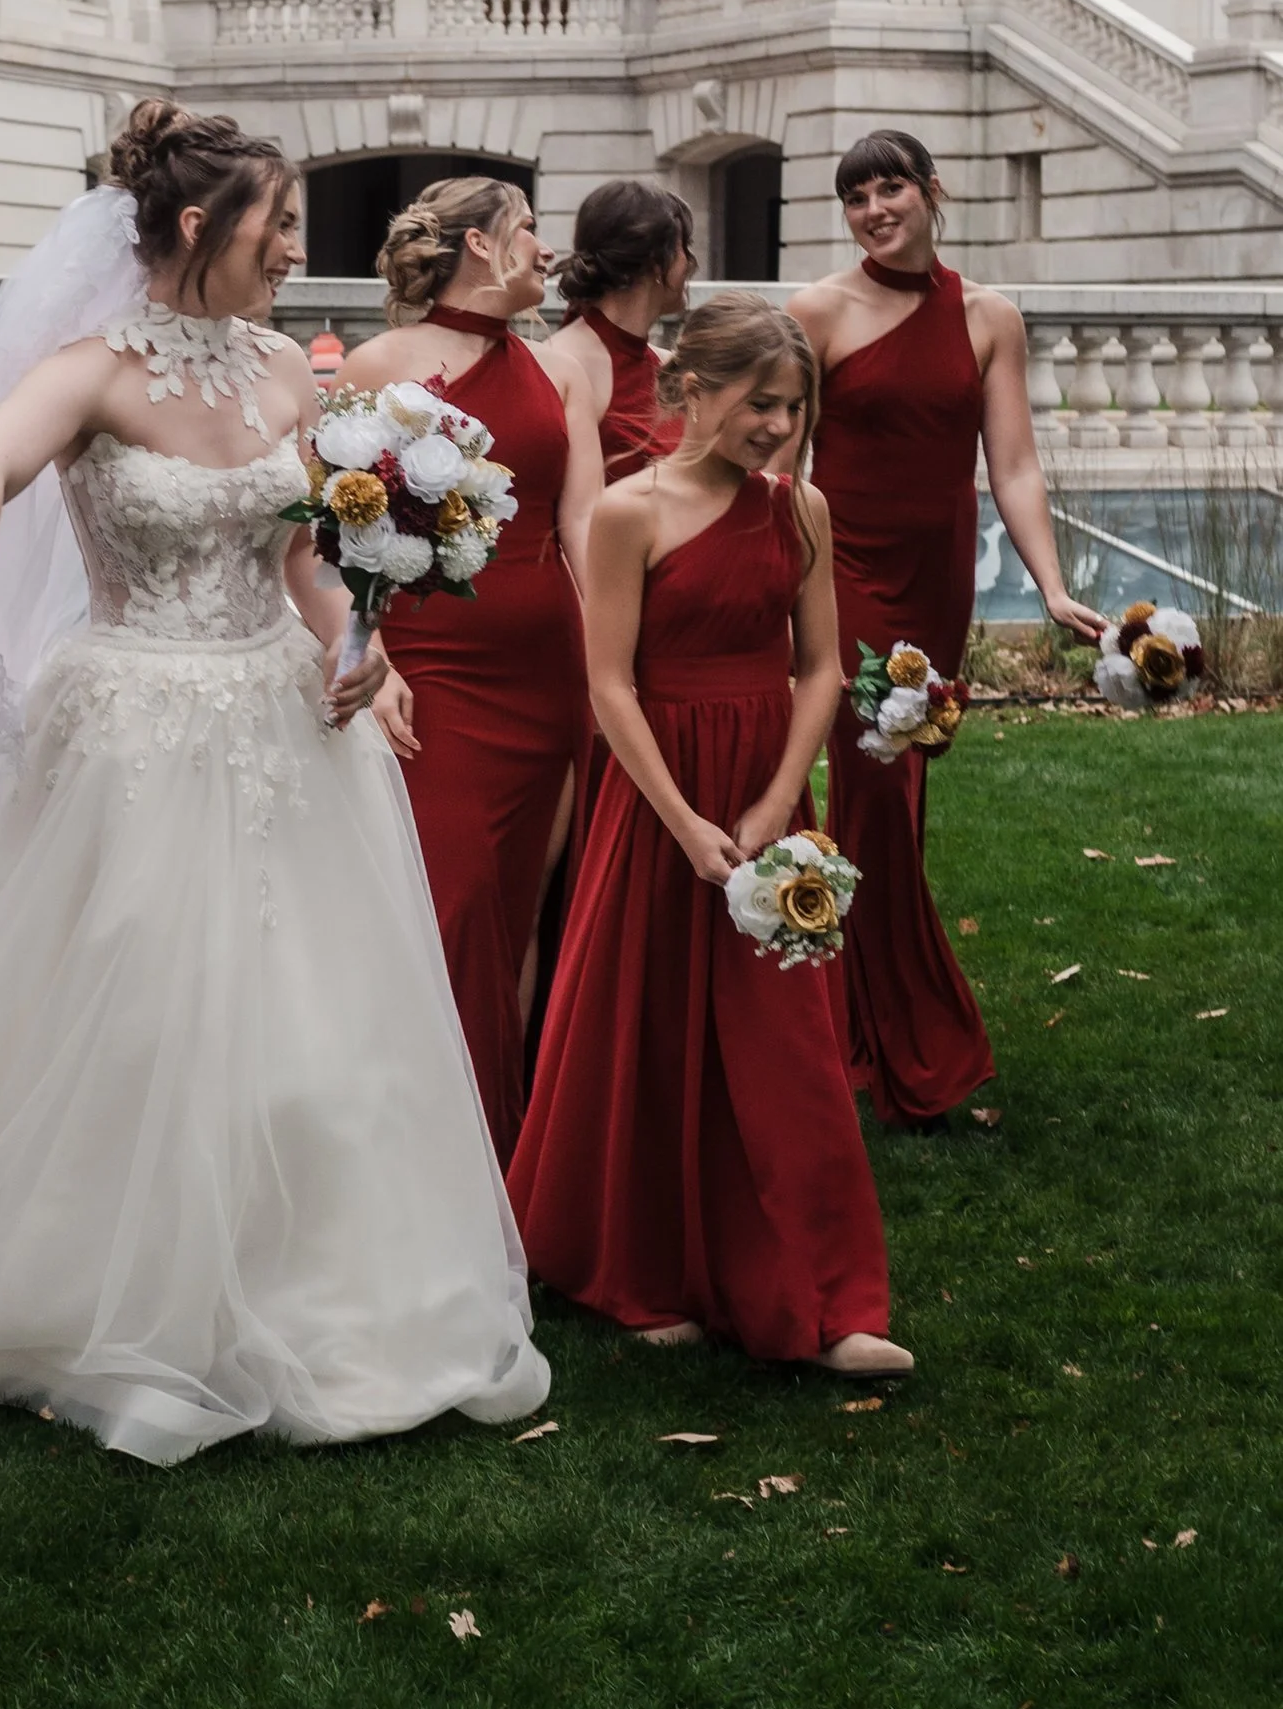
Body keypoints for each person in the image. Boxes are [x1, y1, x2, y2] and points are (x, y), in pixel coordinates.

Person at [0, 101, 550, 1464]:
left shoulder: (288, 379)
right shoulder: (90, 372)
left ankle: (322, 1291)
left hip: (287, 729)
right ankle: (106, 1297)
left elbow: (307, 558)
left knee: (316, 1026)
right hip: (132, 731)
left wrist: (363, 643)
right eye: (278, 223)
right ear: (200, 227)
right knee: (136, 1010)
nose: (298, 248)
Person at [508, 297, 909, 1377]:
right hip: (657, 800)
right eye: (757, 403)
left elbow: (820, 666)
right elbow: (605, 682)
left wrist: (782, 798)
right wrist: (681, 820)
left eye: (792, 406)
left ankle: (829, 1297)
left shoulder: (801, 511)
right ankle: (634, 1269)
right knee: (649, 1026)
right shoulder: (629, 514)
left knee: (789, 1043)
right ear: (690, 390)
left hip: (766, 797)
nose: (777, 425)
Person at [789, 132, 1105, 1127]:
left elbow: (1010, 464)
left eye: (889, 189)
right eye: (855, 197)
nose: (874, 209)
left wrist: (1049, 587)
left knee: (903, 800)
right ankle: (908, 1041)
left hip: (935, 590)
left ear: (931, 192)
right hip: (846, 580)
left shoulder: (987, 316)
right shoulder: (816, 312)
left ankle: (847, 1019)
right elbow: (781, 467)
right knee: (877, 798)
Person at [335, 175, 600, 1161]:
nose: (543, 247)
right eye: (528, 230)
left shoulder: (556, 371)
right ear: (481, 245)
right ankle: (420, 1149)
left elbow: (581, 524)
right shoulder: (380, 363)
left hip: (548, 669)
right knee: (449, 907)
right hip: (435, 671)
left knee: (523, 913)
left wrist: (610, 660)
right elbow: (342, 528)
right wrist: (379, 652)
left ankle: (503, 1147)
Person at [539, 181, 697, 484]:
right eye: (683, 248)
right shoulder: (565, 361)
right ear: (655, 262)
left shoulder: (670, 366)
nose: (690, 263)